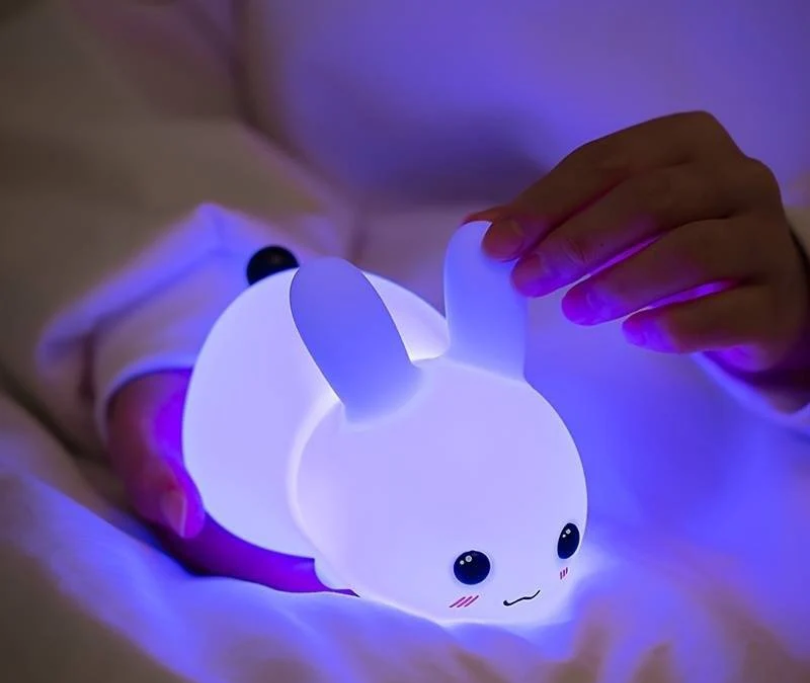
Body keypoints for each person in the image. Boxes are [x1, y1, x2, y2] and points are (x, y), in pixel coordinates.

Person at [0, 0, 808, 578]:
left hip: (748, 454)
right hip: (265, 245)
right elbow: (106, 56)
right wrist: (170, 312)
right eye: (473, 567)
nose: (527, 583)